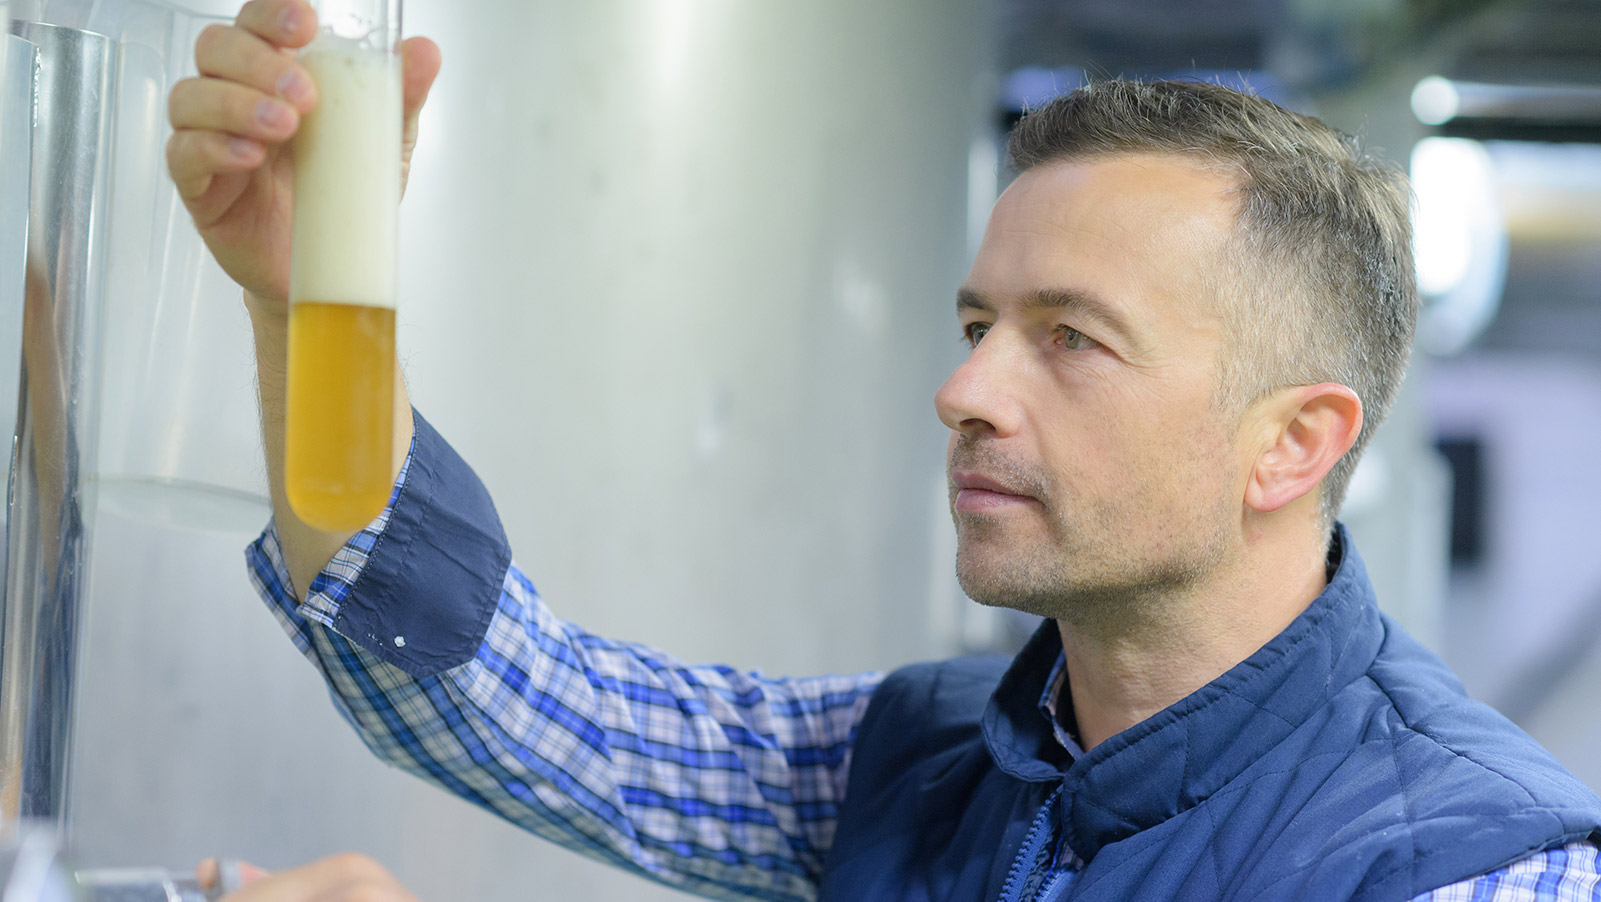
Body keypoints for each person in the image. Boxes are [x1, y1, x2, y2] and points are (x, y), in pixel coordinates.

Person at [167, 1, 1601, 899]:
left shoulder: (1475, 865)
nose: (963, 386)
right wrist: (311, 305)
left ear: (1291, 444)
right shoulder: (927, 758)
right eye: (978, 320)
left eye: (1069, 337)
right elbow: (504, 700)